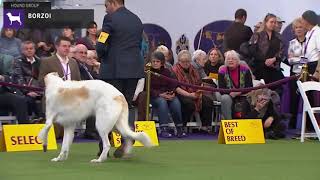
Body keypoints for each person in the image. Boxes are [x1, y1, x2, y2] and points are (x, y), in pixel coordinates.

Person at [96, 0, 144, 158]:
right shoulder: (136, 19)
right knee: (126, 106)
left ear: (113, 3)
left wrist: (101, 55)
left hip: (114, 69)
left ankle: (104, 145)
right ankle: (127, 138)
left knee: (107, 107)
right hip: (133, 69)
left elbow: (102, 42)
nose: (105, 9)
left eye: (106, 5)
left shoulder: (110, 18)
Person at [173, 50, 214, 133]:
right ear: (179, 61)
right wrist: (189, 95)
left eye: (187, 61)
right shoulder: (174, 70)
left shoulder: (193, 69)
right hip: (181, 93)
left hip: (195, 92)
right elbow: (176, 88)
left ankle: (205, 126)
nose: (186, 63)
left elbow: (200, 83)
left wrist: (198, 92)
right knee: (188, 104)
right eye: (183, 61)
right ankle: (183, 126)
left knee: (208, 101)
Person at [149, 51, 186, 138]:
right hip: (154, 96)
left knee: (176, 102)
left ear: (162, 62)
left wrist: (172, 93)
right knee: (162, 102)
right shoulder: (148, 72)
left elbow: (173, 84)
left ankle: (179, 128)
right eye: (153, 61)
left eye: (157, 61)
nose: (155, 63)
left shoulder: (167, 72)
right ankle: (164, 129)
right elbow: (146, 88)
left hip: (167, 94)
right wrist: (160, 95)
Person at [249, 13, 284, 95]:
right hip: (259, 68)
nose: (273, 24)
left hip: (274, 68)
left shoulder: (279, 36)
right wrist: (264, 61)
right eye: (271, 22)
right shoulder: (257, 35)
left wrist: (274, 59)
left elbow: (282, 51)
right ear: (266, 22)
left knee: (278, 90)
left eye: (275, 22)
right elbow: (252, 50)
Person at [218, 50, 253, 120]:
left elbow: (249, 86)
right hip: (229, 95)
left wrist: (238, 92)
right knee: (225, 98)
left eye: (233, 59)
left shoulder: (245, 69)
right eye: (228, 59)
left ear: (237, 60)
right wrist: (231, 93)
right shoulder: (222, 71)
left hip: (244, 94)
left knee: (245, 103)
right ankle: (229, 121)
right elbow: (221, 88)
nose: (230, 61)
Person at [12, 41, 42, 117]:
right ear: (22, 50)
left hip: (38, 91)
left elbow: (42, 78)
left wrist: (39, 92)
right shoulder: (17, 61)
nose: (29, 50)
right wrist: (27, 91)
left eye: (31, 48)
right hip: (23, 91)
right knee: (28, 100)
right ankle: (31, 121)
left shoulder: (40, 61)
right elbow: (19, 78)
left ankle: (43, 121)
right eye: (26, 49)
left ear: (34, 50)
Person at [287, 18, 307, 129]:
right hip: (294, 75)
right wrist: (303, 59)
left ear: (305, 29)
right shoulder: (292, 43)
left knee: (308, 100)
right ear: (293, 30)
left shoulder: (310, 42)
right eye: (296, 27)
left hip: (308, 75)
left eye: (300, 27)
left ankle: (310, 125)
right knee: (294, 100)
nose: (298, 29)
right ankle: (292, 125)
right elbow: (290, 60)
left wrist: (297, 58)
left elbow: (311, 58)